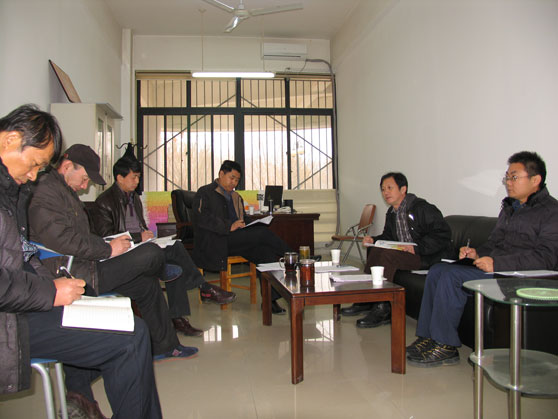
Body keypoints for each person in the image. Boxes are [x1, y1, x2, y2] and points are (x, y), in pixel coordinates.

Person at [0, 104, 161, 418]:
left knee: (135, 325)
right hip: (12, 319)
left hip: (26, 302)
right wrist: (50, 291)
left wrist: (52, 286)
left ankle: (79, 394)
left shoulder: (14, 190)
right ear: (10, 140)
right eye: (34, 164)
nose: (32, 175)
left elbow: (24, 254)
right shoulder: (35, 190)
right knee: (130, 338)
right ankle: (80, 393)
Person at [28, 143, 198, 361]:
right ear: (68, 166)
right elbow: (63, 239)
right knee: (151, 253)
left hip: (89, 264)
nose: (85, 185)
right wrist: (108, 249)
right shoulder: (46, 192)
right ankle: (161, 269)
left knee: (147, 284)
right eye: (85, 178)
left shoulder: (63, 191)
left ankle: (165, 346)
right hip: (74, 274)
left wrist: (107, 246)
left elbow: (83, 236)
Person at [407, 151, 558, 367]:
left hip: (518, 277)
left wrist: (497, 263)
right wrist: (476, 253)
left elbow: (546, 258)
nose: (508, 182)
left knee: (452, 276)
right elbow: (494, 243)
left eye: (514, 177)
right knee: (438, 269)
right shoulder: (509, 208)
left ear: (535, 180)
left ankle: (445, 345)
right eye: (507, 177)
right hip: (497, 270)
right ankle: (428, 336)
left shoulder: (551, 212)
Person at [92, 153, 236, 336]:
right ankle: (204, 289)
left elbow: (141, 226)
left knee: (176, 259)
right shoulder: (104, 202)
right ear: (120, 178)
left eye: (138, 177)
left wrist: (146, 236)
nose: (137, 181)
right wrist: (138, 237)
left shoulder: (134, 198)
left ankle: (179, 318)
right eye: (133, 177)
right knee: (175, 251)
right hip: (122, 255)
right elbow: (107, 237)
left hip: (141, 248)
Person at [341, 172, 453, 328]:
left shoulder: (422, 208)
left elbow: (443, 233)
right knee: (375, 250)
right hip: (405, 254)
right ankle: (367, 299)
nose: (385, 192)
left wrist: (417, 248)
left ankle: (384, 308)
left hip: (426, 255)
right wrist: (374, 240)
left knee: (388, 255)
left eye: (389, 188)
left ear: (403, 189)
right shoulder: (392, 212)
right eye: (383, 189)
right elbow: (388, 236)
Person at [193, 160, 292, 314]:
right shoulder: (205, 192)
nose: (234, 183)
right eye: (231, 178)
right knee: (262, 233)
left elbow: (243, 219)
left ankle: (269, 301)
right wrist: (228, 226)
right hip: (217, 241)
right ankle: (294, 257)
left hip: (235, 240)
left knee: (266, 253)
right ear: (221, 174)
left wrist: (250, 224)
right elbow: (201, 218)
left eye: (237, 180)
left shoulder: (236, 197)